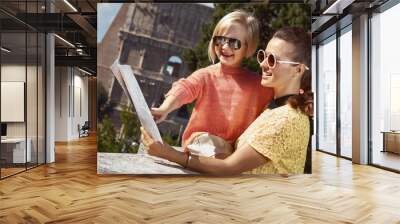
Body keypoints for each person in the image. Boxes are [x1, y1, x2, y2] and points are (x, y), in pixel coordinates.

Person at [141, 27, 312, 175]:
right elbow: (189, 85)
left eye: (273, 60)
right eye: (263, 56)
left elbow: (228, 168)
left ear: (298, 70)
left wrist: (167, 153)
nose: (263, 64)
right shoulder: (274, 108)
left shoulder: (286, 119)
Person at [151, 10, 274, 158]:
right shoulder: (206, 75)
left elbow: (281, 99)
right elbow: (184, 88)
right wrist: (164, 109)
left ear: (248, 48)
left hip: (233, 153)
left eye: (234, 43)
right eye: (220, 40)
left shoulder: (257, 85)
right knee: (213, 146)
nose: (225, 46)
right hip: (200, 144)